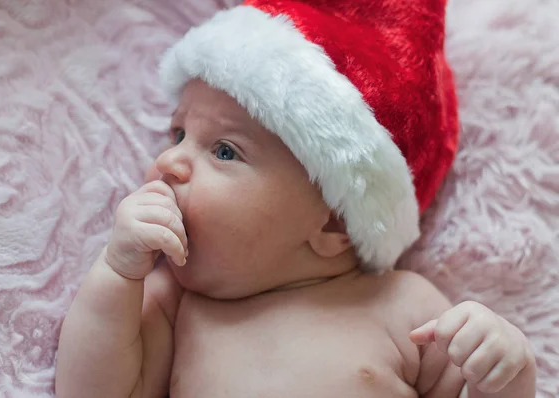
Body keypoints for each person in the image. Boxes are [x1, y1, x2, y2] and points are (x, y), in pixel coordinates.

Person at [55, 1, 536, 397]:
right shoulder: (176, 306)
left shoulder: (402, 304)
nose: (168, 162)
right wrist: (117, 273)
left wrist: (505, 375)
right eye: (178, 132)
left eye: (225, 150)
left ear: (334, 225)